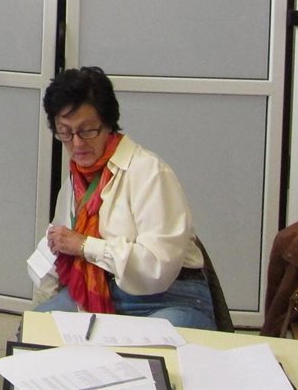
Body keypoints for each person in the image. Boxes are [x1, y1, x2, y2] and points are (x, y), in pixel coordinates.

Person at [32, 66, 216, 329]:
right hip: (106, 291)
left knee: (148, 349)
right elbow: (56, 247)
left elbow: (158, 267)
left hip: (172, 296)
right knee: (36, 331)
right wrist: (43, 308)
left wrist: (85, 246)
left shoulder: (148, 172)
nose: (77, 143)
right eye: (65, 132)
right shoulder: (77, 180)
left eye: (87, 130)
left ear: (108, 124)